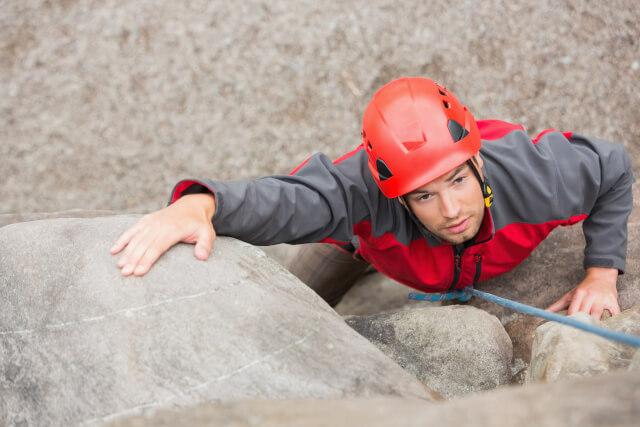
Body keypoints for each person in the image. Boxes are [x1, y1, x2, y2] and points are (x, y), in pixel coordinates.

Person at [111, 77, 633, 319]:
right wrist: (201, 204)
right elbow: (288, 200)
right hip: (369, 245)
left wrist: (601, 272)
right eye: (423, 195)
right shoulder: (359, 192)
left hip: (433, 253)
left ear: (477, 160)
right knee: (287, 315)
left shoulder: (536, 174)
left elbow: (614, 168)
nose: (450, 211)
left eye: (457, 180)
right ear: (392, 192)